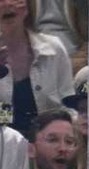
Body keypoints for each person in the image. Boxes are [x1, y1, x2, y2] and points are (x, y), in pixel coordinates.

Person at [0, 0, 73, 136]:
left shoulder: (54, 49)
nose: (7, 4)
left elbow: (69, 106)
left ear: (27, 7)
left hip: (48, 147)